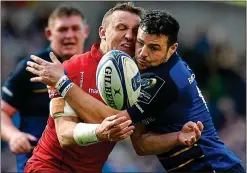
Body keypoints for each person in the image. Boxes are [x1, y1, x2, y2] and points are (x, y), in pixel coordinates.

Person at [27, 8, 245, 173]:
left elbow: (120, 123)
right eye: (139, 41)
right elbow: (140, 144)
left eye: (154, 48)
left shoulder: (160, 79)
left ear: (172, 49)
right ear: (102, 31)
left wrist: (64, 85)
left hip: (214, 166)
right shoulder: (73, 68)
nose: (141, 52)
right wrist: (177, 137)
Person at [1, 4, 89, 172]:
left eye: (75, 28)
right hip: (37, 164)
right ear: (49, 33)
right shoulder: (31, 68)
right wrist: (14, 136)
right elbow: (2, 112)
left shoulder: (98, 69)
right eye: (62, 29)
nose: (69, 35)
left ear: (85, 31)